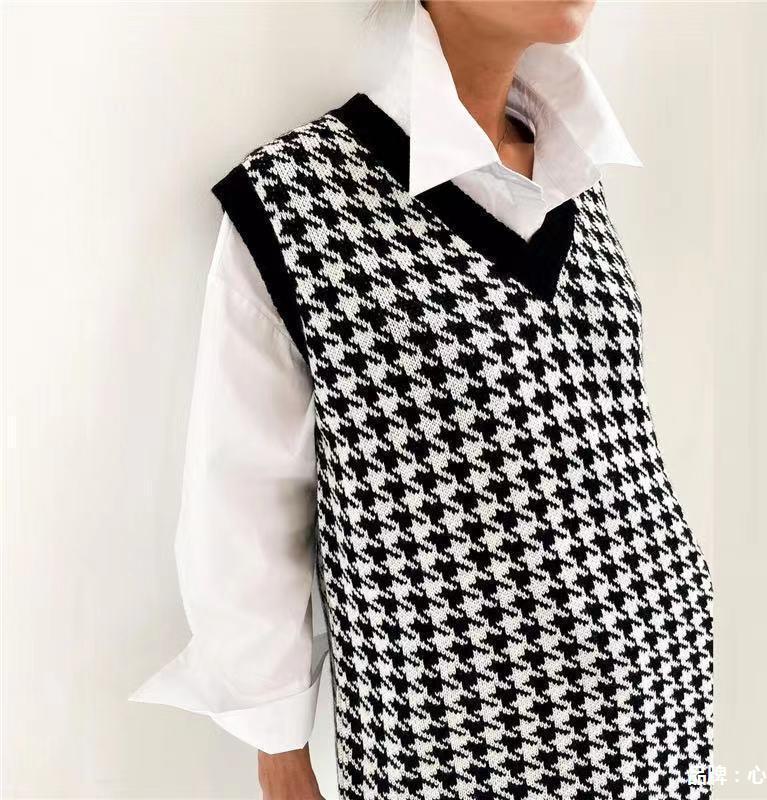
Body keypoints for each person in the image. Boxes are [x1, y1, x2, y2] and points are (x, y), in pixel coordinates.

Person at [131, 1, 714, 798]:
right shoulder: (302, 202)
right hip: (457, 753)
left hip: (667, 725)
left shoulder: (577, 173)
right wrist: (280, 752)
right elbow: (242, 510)